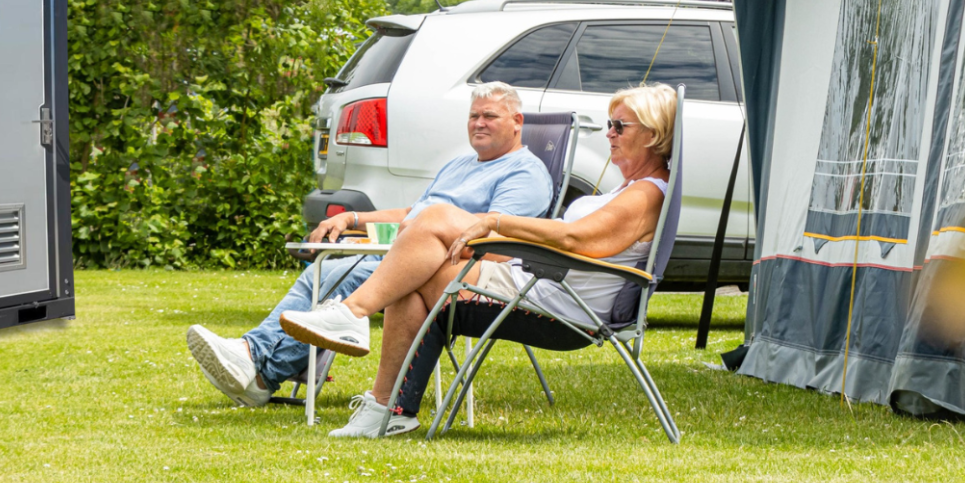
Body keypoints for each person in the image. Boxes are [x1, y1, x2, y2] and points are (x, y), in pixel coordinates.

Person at [279, 83, 676, 438]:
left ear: (653, 134)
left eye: (619, 126)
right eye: (609, 124)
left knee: (430, 232)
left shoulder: (646, 194)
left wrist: (496, 221)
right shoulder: (626, 189)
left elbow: (576, 239)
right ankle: (388, 408)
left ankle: (355, 322)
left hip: (560, 307)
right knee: (415, 267)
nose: (609, 133)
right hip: (537, 284)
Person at [185, 82, 553, 418]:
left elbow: (497, 241)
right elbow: (412, 214)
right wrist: (352, 218)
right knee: (321, 270)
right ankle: (258, 370)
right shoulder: (459, 165)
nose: (479, 123)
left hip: (445, 268)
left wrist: (419, 242)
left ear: (517, 121)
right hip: (406, 252)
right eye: (473, 116)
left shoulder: (525, 173)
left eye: (490, 115)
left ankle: (255, 362)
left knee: (338, 274)